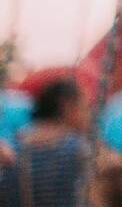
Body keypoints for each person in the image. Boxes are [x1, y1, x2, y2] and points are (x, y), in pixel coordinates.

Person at [0, 76, 88, 207]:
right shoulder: (76, 148)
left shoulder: (13, 147)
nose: (88, 115)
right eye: (85, 107)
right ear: (68, 107)